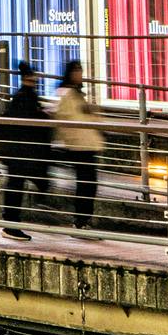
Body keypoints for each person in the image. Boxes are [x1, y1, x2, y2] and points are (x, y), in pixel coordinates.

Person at [0, 60, 53, 240]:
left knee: (18, 183)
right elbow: (27, 120)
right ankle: (11, 225)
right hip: (19, 151)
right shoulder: (25, 97)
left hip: (19, 150)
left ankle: (12, 223)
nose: (34, 80)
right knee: (16, 185)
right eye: (32, 77)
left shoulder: (25, 96)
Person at [52, 59, 103, 229]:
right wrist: (69, 141)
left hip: (88, 145)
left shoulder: (78, 94)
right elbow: (62, 119)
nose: (79, 74)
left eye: (80, 70)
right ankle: (81, 220)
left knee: (89, 184)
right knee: (85, 184)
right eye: (76, 70)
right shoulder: (66, 94)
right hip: (79, 146)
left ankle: (84, 219)